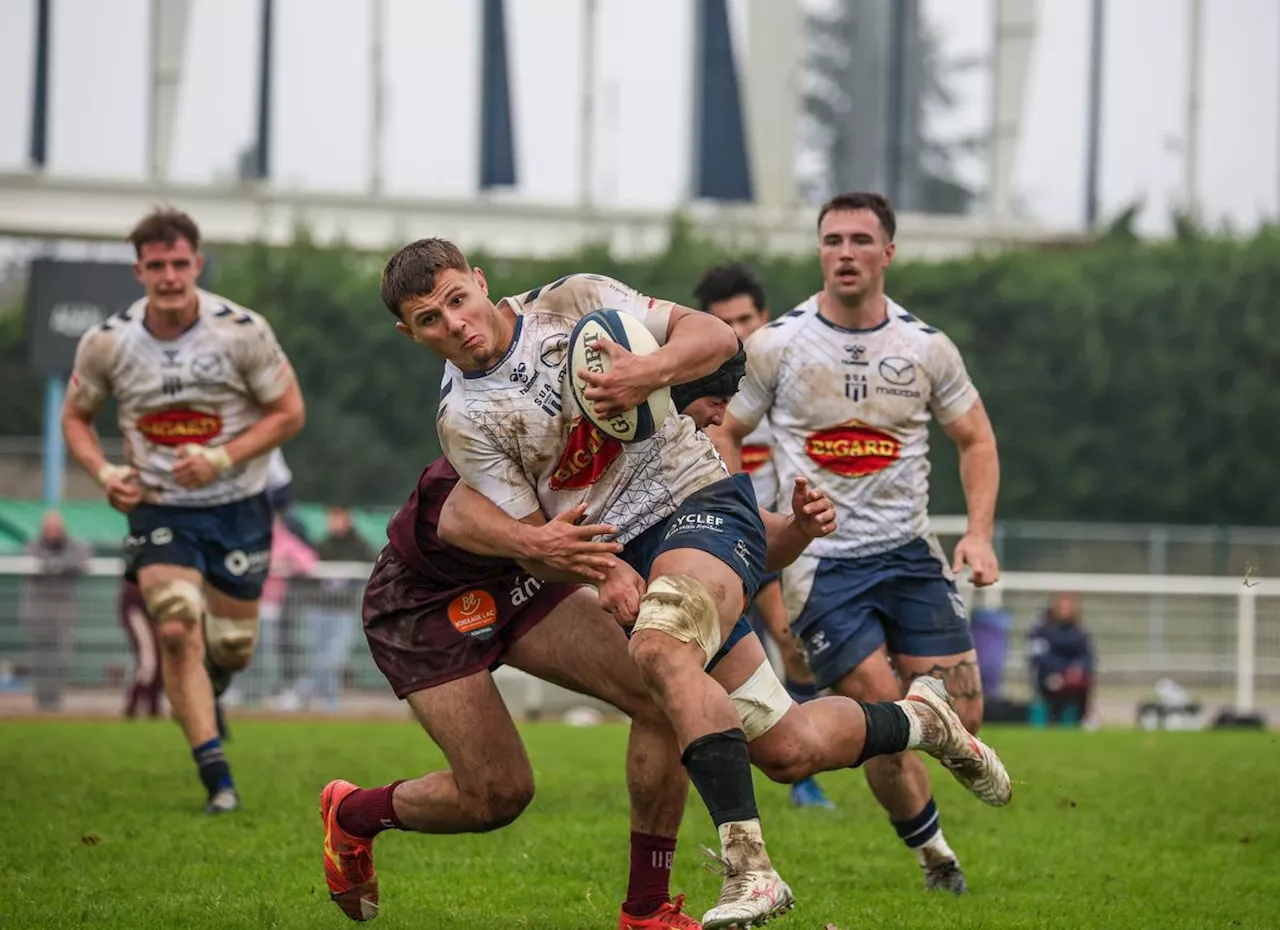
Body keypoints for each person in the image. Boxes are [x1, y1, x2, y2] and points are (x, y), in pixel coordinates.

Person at [363, 240, 1009, 927]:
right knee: (788, 749)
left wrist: (648, 371)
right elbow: (540, 544)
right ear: (410, 335)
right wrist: (605, 569)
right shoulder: (462, 420)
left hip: (696, 501)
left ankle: (750, 872)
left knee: (659, 652)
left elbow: (714, 335)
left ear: (480, 282)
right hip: (635, 556)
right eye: (430, 319)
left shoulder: (570, 301)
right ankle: (922, 719)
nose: (455, 323)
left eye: (458, 299)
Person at [715, 191, 1003, 895]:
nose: (845, 252)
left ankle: (932, 808)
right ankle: (937, 858)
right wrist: (740, 518)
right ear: (819, 251)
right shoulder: (777, 344)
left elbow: (976, 438)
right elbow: (724, 428)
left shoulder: (925, 347)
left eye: (860, 240)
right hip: (823, 565)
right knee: (884, 708)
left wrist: (979, 534)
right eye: (832, 239)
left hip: (909, 554)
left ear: (888, 253)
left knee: (962, 713)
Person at [60, 207, 305, 814]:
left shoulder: (241, 330)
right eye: (156, 265)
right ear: (139, 270)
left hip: (239, 504)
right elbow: (76, 418)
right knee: (173, 625)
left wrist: (220, 459)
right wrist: (107, 473)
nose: (169, 275)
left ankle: (215, 683)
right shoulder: (109, 342)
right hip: (160, 505)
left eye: (179, 263)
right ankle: (217, 778)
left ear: (196, 264)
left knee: (233, 647)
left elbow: (289, 413)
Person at [695, 262, 833, 811]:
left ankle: (801, 776)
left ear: (765, 318)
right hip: (714, 540)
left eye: (745, 319)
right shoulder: (696, 392)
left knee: (794, 651)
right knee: (710, 662)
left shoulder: (788, 387)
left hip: (773, 536)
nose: (737, 332)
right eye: (723, 323)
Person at [301, 506, 376, 711]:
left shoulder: (359, 545)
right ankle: (326, 700)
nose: (333, 523)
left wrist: (349, 581)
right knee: (318, 656)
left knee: (333, 658)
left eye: (338, 518)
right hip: (320, 608)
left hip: (343, 610)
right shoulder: (322, 544)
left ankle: (308, 693)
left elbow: (373, 562)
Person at [22, 510, 93, 711]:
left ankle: (55, 698)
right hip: (38, 615)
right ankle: (41, 699)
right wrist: (60, 566)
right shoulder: (33, 545)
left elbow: (83, 556)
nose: (54, 532)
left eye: (57, 528)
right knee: (40, 658)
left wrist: (56, 565)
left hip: (63, 615)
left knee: (61, 657)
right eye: (50, 528)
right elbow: (35, 559)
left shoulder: (73, 545)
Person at [1027, 592, 1095, 726]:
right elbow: (1038, 657)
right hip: (1050, 675)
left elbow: (1087, 656)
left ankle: (1082, 720)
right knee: (1057, 685)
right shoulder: (1041, 630)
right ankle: (1054, 720)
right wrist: (1061, 671)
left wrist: (1077, 668)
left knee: (1082, 683)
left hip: (1074, 676)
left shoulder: (1079, 632)